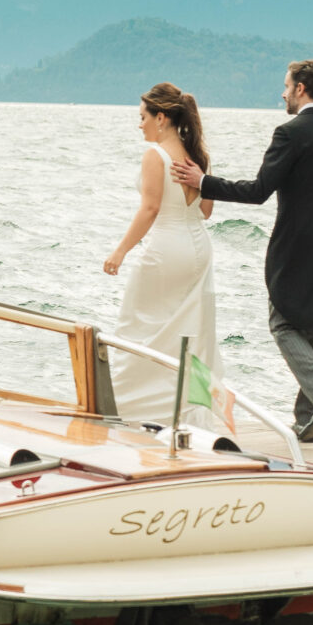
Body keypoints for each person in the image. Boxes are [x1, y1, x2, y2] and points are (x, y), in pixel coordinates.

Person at [171, 57, 313, 443]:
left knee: (282, 321)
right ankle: (307, 420)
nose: (283, 92)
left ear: (301, 89)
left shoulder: (290, 133)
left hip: (297, 243)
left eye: (286, 85)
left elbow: (259, 191)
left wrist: (204, 181)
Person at [102, 84, 226, 425]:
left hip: (166, 249)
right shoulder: (196, 155)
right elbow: (206, 211)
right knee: (192, 332)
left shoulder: (155, 156)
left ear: (161, 117)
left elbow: (151, 208)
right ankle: (189, 409)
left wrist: (120, 251)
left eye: (142, 117)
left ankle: (126, 408)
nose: (139, 124)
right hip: (199, 251)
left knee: (138, 325)